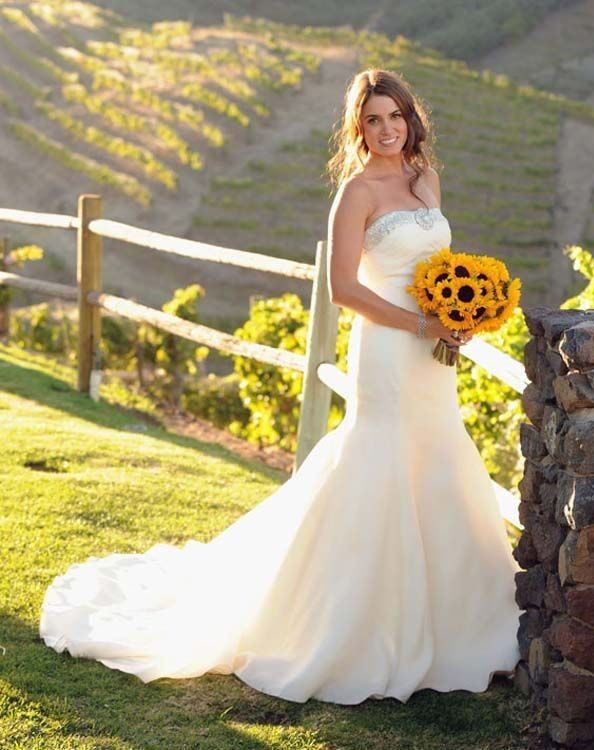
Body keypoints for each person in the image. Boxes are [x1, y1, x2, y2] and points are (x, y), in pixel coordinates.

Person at [40, 68, 521, 705]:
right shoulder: (356, 193)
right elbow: (343, 288)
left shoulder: (425, 179)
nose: (386, 129)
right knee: (379, 460)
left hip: (433, 352)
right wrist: (420, 321)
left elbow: (434, 266)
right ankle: (353, 627)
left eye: (395, 116)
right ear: (359, 129)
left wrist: (459, 315)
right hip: (386, 348)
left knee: (437, 457)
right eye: (373, 120)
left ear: (411, 119)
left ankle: (461, 621)